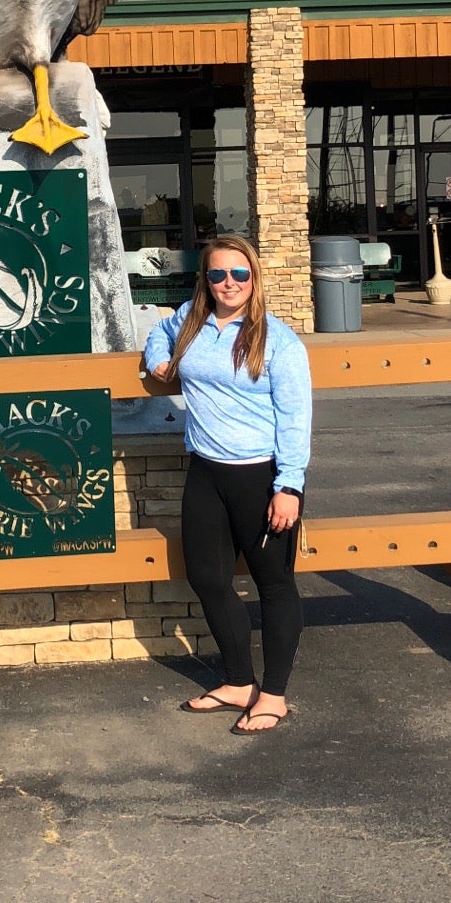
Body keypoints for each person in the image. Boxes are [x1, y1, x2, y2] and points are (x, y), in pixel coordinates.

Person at [143, 234, 313, 735]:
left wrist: (289, 486)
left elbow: (296, 417)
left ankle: (274, 694)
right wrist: (157, 358)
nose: (229, 283)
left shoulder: (278, 340)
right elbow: (160, 331)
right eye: (217, 274)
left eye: (239, 274)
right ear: (206, 280)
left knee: (274, 584)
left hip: (262, 476)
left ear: (254, 278)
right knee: (208, 579)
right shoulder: (191, 320)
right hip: (207, 471)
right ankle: (239, 681)